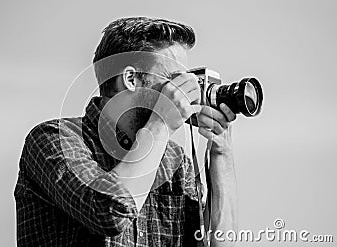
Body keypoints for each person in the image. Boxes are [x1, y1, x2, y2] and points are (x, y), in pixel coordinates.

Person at [14, 16, 237, 247]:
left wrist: (222, 152)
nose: (180, 91)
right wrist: (161, 121)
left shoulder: (175, 161)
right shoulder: (55, 138)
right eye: (173, 80)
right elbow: (110, 213)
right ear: (130, 78)